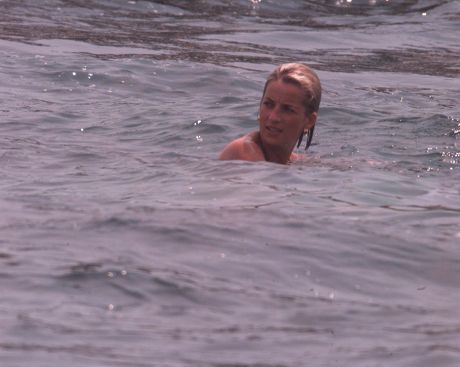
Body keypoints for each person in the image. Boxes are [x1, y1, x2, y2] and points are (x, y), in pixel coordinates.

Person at [219, 62, 321, 165]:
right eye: (268, 104)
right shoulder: (243, 152)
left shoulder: (292, 160)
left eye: (287, 109)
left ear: (309, 120)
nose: (273, 117)